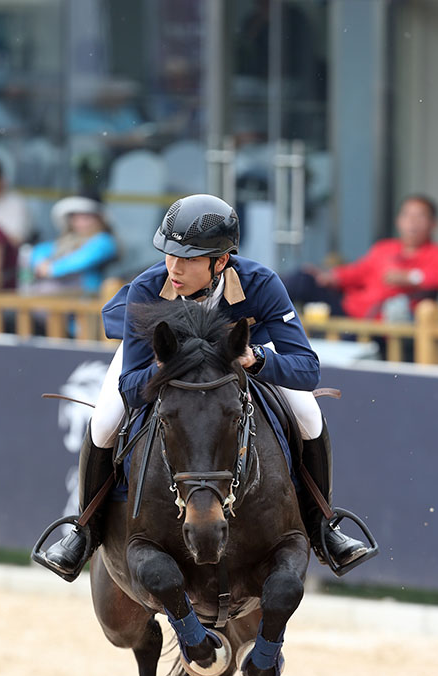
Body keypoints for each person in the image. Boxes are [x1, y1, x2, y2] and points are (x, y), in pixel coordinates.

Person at [39, 194, 373, 582]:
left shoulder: (261, 283)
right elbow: (130, 388)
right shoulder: (148, 287)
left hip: (240, 360)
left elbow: (307, 369)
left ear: (221, 260)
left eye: (190, 259)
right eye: (169, 254)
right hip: (162, 364)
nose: (174, 268)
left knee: (308, 414)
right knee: (103, 421)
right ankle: (84, 531)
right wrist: (162, 370)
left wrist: (257, 359)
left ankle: (323, 528)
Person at [284, 195, 438, 320]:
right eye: (407, 215)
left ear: (434, 224)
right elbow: (358, 272)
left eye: (420, 216)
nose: (412, 222)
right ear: (398, 221)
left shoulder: (436, 253)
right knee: (304, 279)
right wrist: (332, 276)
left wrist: (412, 277)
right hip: (350, 309)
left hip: (383, 326)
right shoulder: (384, 248)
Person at [28, 194, 119, 295]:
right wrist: (40, 262)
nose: (81, 223)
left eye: (86, 218)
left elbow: (82, 260)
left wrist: (51, 269)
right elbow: (41, 250)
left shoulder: (104, 241)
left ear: (99, 219)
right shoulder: (67, 240)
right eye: (76, 219)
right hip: (56, 295)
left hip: (88, 296)